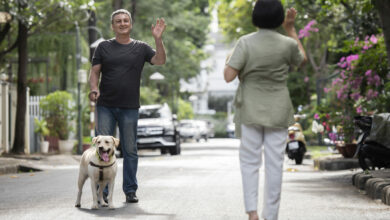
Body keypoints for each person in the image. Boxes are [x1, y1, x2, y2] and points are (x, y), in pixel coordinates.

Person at [224, 1, 307, 220]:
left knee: (250, 163)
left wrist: (231, 59)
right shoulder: (286, 44)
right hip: (278, 109)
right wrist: (290, 29)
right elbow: (302, 60)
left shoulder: (245, 42)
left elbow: (228, 76)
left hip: (250, 109)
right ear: (280, 19)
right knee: (275, 165)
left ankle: (252, 213)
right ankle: (271, 216)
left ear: (255, 17)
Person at [88, 9, 166, 203]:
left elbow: (160, 60)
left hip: (130, 107)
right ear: (113, 26)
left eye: (125, 20)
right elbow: (95, 72)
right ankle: (102, 192)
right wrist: (93, 89)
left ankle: (130, 190)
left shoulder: (141, 48)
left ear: (130, 24)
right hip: (105, 105)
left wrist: (158, 39)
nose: (122, 23)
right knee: (102, 150)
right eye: (118, 21)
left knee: (130, 150)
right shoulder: (103, 47)